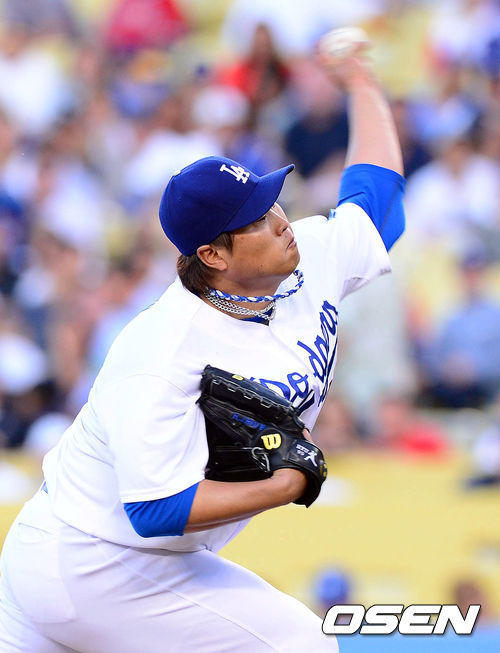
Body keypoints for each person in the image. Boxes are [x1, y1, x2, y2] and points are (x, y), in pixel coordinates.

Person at [0, 41, 405, 652]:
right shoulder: (163, 349)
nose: (280, 220)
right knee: (301, 643)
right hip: (96, 558)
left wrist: (362, 86)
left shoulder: (306, 256)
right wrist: (285, 486)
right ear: (213, 255)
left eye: (272, 201)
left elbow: (378, 199)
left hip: (106, 555)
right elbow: (156, 509)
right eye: (256, 220)